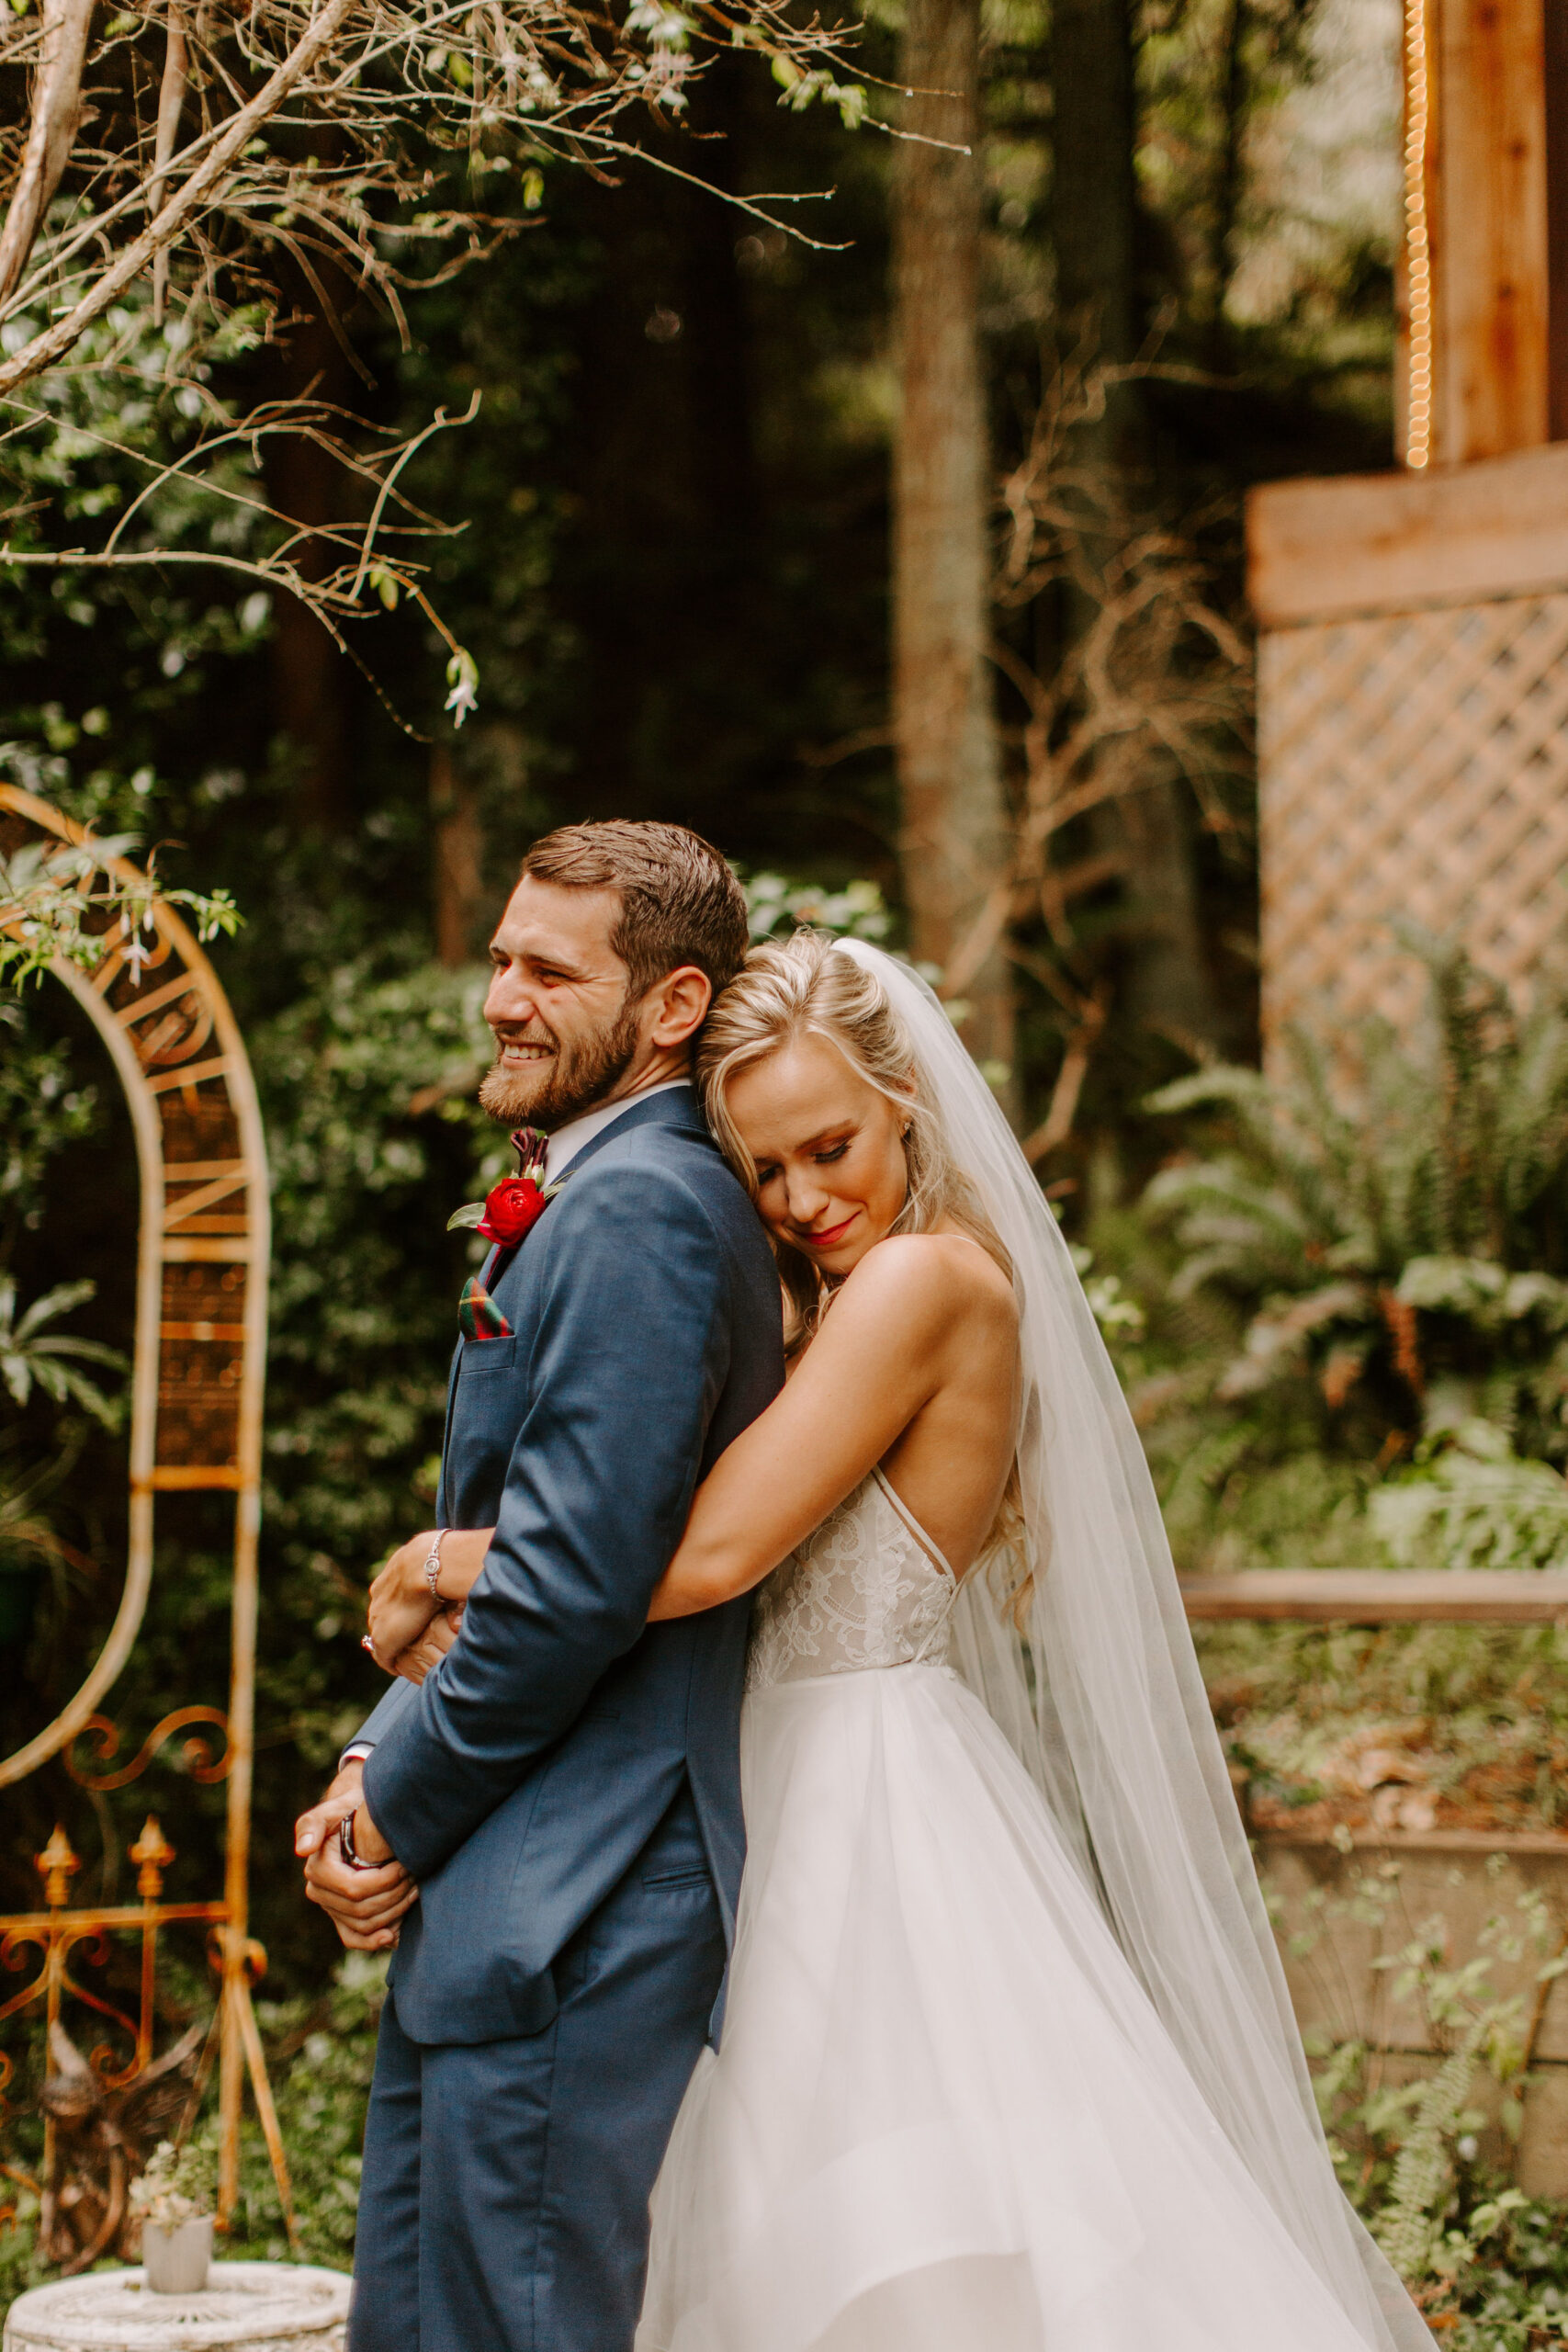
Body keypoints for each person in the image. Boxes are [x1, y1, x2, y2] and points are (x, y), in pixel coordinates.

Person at [373, 931, 1436, 2352]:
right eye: (763, 1169)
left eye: (831, 1147)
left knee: (897, 2239)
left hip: (865, 1805)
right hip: (765, 1778)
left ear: (906, 1110)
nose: (803, 1198)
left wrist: (445, 1557)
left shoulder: (924, 1285)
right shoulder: (832, 1290)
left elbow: (707, 1555)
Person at [292, 821, 785, 2352]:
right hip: (504, 1881)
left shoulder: (642, 1210)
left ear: (672, 1006)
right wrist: (375, 1752)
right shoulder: (584, 1193)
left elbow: (571, 1585)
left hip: (578, 1891)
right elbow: (508, 1545)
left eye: (546, 971)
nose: (499, 996)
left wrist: (396, 1809)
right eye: (501, 958)